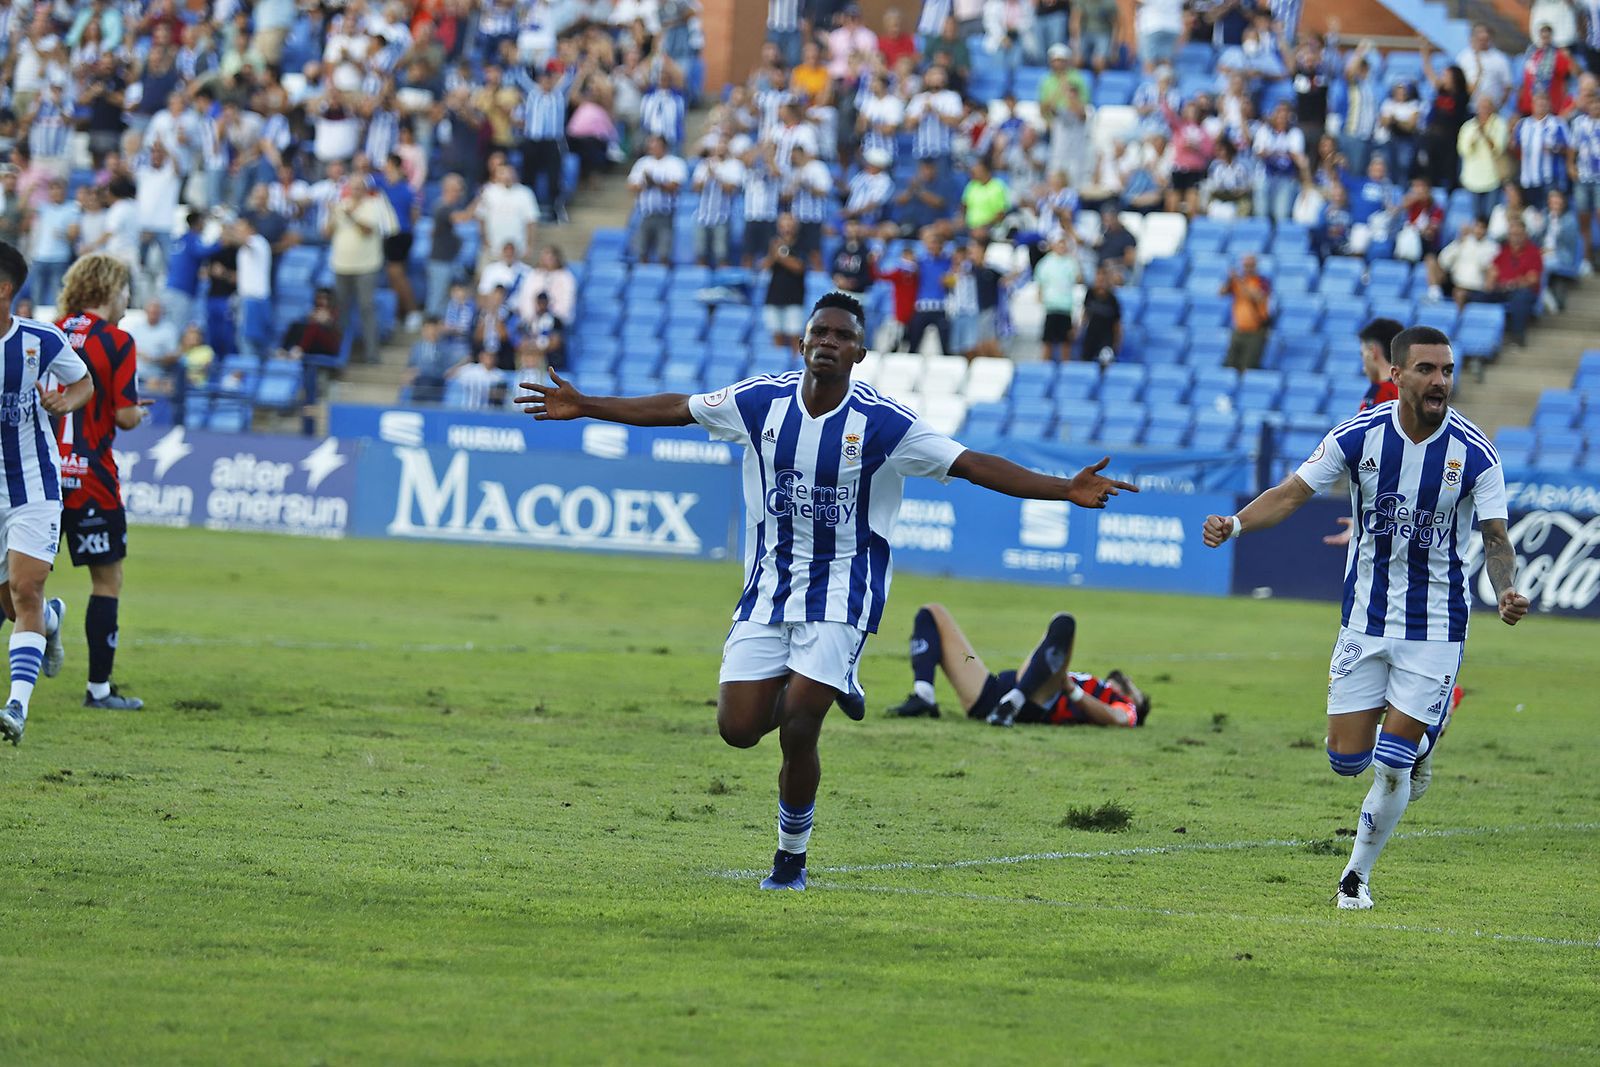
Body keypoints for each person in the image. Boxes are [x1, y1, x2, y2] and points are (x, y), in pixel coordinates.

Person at [514, 291, 1138, 890]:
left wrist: (1062, 487)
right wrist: (589, 404)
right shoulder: (760, 402)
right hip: (770, 588)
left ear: (860, 354)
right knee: (737, 729)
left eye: (843, 337)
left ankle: (790, 858)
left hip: (845, 590)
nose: (828, 344)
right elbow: (679, 407)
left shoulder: (886, 424)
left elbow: (971, 463)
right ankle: (831, 680)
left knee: (801, 724)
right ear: (803, 343)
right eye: (820, 333)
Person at [1202, 325, 1528, 909]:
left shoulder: (1476, 453)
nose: (1440, 381)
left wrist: (1505, 590)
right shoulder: (1359, 438)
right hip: (1364, 620)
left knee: (1392, 762)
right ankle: (1424, 739)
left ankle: (1355, 876)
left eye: (1447, 370)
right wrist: (1236, 525)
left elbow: (1497, 539)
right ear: (1397, 375)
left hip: (1437, 626)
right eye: (1427, 369)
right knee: (1346, 760)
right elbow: (1289, 494)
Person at [0, 239, 94, 745]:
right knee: (17, 607)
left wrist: (64, 403)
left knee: (25, 589)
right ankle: (52, 621)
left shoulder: (40, 339)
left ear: (4, 289)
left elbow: (84, 384)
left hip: (33, 484)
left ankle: (16, 706)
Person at [51, 252, 148, 712]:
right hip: (90, 476)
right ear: (110, 289)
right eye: (126, 288)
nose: (129, 298)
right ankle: (99, 692)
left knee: (15, 582)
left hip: (41, 475)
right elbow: (126, 416)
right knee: (106, 582)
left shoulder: (46, 329)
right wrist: (137, 411)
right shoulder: (117, 341)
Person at [884, 603, 1151, 727]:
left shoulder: (1124, 706)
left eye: (1136, 690)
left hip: (1037, 702)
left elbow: (1117, 720)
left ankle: (1015, 702)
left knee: (1064, 623)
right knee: (932, 613)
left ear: (1134, 702)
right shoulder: (1095, 683)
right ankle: (924, 696)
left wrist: (1071, 691)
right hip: (992, 692)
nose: (1129, 680)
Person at [1221, 254, 1272, 370]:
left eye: (1250, 266)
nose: (1247, 269)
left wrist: (1239, 281)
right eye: (1245, 266)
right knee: (1230, 364)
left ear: (1255, 266)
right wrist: (1230, 280)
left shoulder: (1262, 281)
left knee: (1248, 366)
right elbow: (1221, 293)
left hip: (1255, 332)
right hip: (1239, 330)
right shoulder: (1238, 282)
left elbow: (1257, 297)